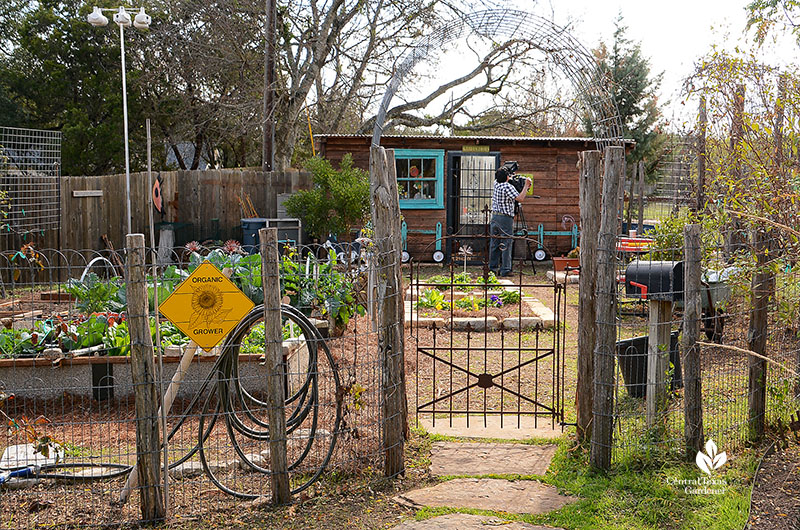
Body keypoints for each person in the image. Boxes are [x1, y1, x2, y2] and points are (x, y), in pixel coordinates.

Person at [488, 164, 530, 277]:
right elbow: (520, 198)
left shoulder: (496, 183)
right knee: (506, 243)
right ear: (507, 177)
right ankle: (505, 269)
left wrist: (509, 177)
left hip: (495, 217)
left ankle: (492, 268)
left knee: (494, 243)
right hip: (505, 218)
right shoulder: (508, 187)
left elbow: (503, 179)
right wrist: (526, 185)